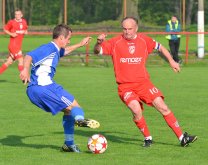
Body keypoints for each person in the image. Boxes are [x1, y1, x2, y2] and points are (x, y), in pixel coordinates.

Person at [94, 17, 197, 147]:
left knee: (163, 107)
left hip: (144, 84)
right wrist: (99, 43)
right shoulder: (115, 42)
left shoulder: (144, 40)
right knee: (136, 110)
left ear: (136, 28)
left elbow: (160, 47)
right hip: (125, 86)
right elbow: (97, 51)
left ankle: (182, 138)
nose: (127, 32)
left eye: (130, 29)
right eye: (124, 29)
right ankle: (148, 138)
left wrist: (171, 61)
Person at [19, 24, 100, 153]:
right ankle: (79, 121)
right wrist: (25, 70)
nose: (69, 41)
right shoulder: (48, 48)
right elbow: (29, 56)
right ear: (61, 37)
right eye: (68, 38)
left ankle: (69, 144)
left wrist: (80, 44)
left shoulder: (55, 49)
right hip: (42, 87)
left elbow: (64, 51)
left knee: (72, 109)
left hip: (46, 87)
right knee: (75, 109)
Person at [0, 9, 28, 75]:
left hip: (18, 45)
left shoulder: (24, 22)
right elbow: (5, 29)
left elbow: (25, 29)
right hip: (13, 46)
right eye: (16, 14)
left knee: (8, 62)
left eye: (18, 14)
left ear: (22, 15)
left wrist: (26, 32)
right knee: (21, 60)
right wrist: (11, 34)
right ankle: (24, 78)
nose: (17, 16)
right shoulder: (11, 22)